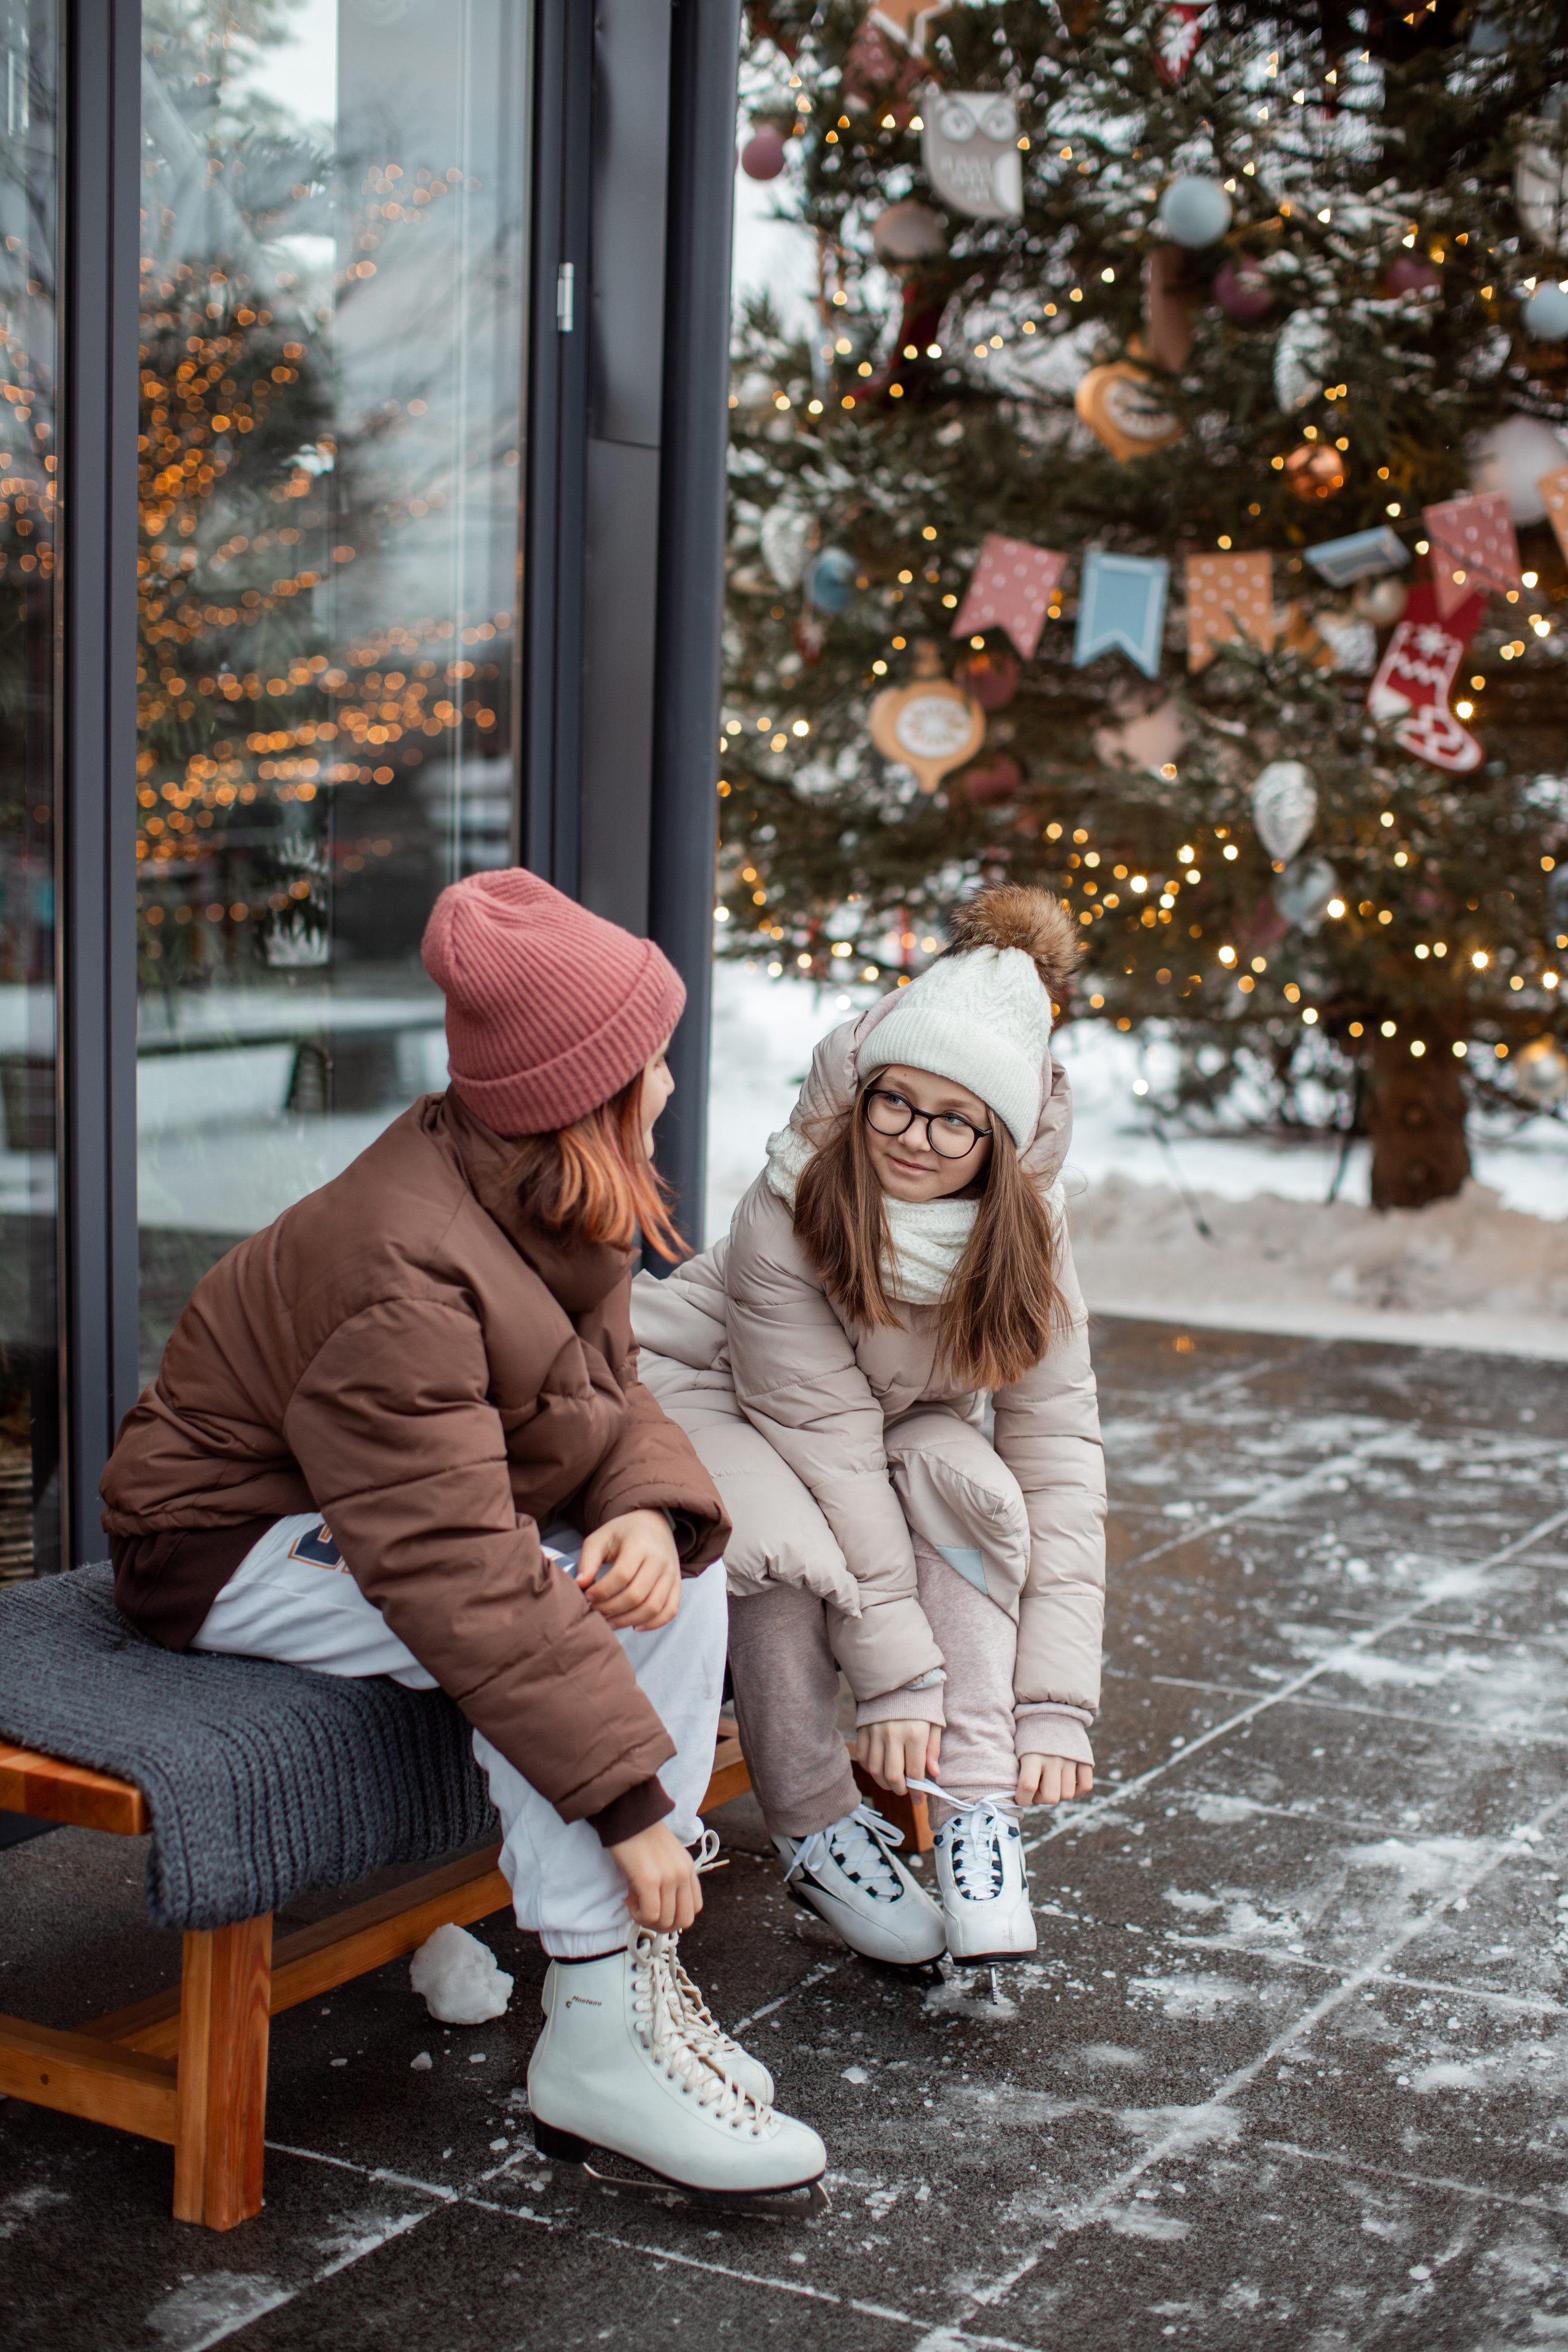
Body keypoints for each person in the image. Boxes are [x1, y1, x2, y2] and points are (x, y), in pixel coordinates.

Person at [100, 868, 826, 2201]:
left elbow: (606, 1403)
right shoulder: (402, 1266)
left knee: (661, 1583)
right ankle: (599, 2027)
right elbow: (456, 1574)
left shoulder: (546, 1193)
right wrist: (629, 1811)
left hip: (361, 1498)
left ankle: (625, 2006)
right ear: (586, 1089)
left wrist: (648, 1516)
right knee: (554, 1605)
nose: (669, 1084)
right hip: (221, 1540)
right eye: (651, 1062)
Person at [633, 886, 1106, 1969]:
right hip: (694, 1383)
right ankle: (812, 1821)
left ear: (1001, 1141)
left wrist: (1055, 1709)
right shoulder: (792, 1201)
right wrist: (897, 1679)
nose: (913, 1139)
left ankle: (979, 1808)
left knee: (971, 1488)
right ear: (863, 1089)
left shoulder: (1026, 1238)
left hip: (873, 1412)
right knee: (785, 1550)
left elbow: (1061, 1454)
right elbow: (824, 1448)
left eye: (956, 1120)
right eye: (894, 1102)